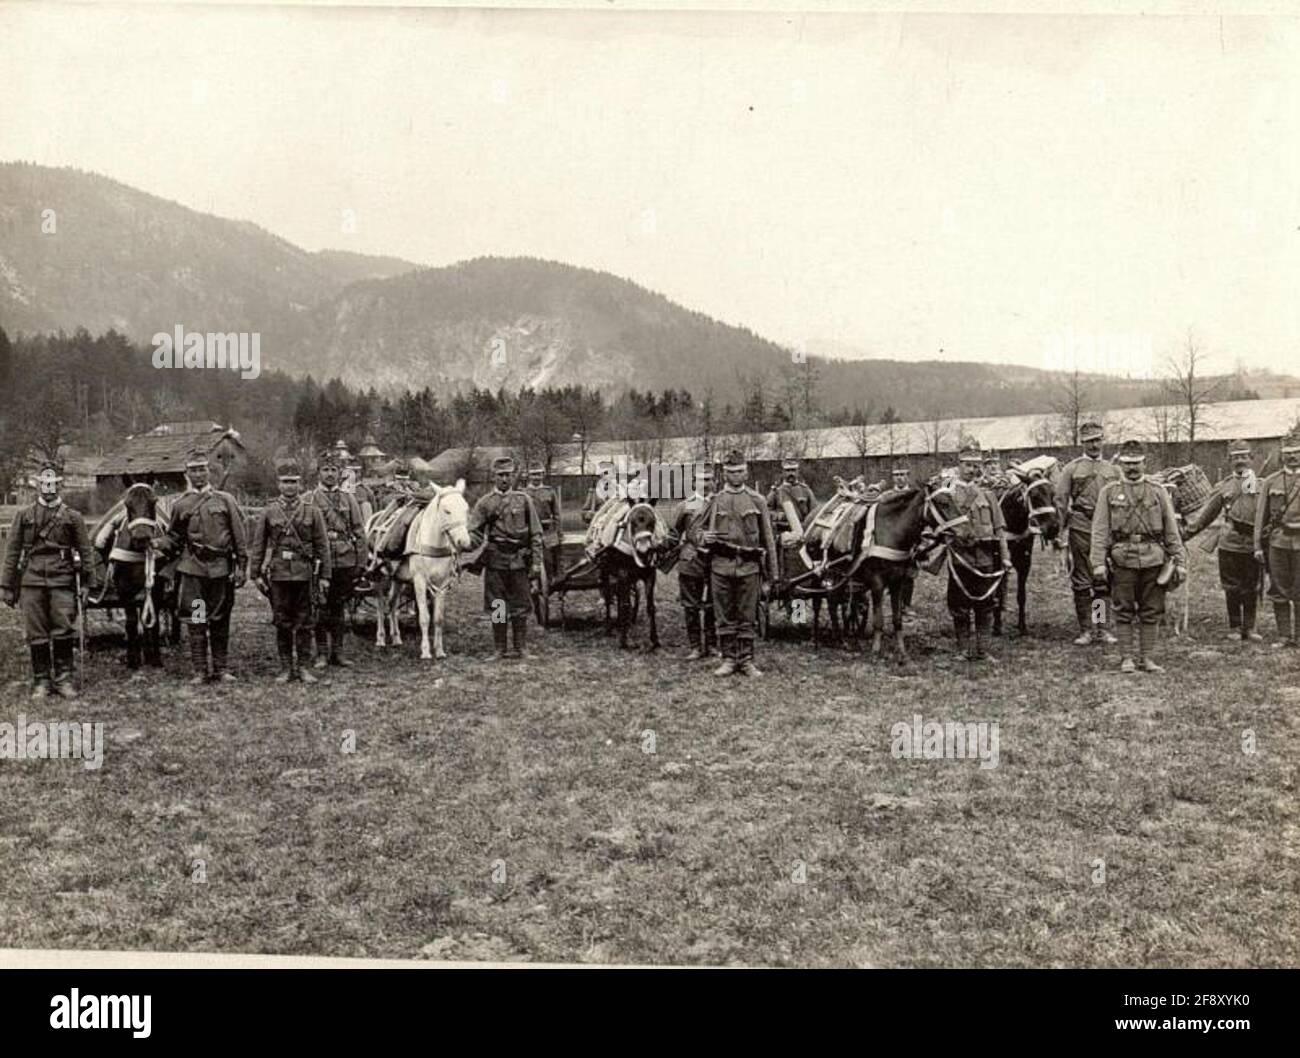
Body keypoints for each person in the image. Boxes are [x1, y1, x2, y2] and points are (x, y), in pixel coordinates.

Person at [1090, 439, 1185, 673]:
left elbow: (1171, 529)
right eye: (1127, 463)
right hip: (1122, 559)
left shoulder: (1158, 491)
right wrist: (1098, 563)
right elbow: (1100, 529)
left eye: (1137, 463)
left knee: (1152, 609)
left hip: (1154, 558)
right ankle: (1126, 658)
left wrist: (1180, 560)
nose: (1132, 468)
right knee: (1122, 609)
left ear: (1145, 463)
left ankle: (1148, 658)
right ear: (1120, 464)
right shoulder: (1109, 492)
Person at [153, 448, 248, 684]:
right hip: (193, 570)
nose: (199, 474)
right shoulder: (181, 505)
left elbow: (239, 536)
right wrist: (156, 543)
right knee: (197, 618)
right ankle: (199, 670)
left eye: (202, 469)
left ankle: (221, 668)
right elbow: (174, 537)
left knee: (220, 618)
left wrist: (241, 566)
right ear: (187, 473)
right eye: (194, 470)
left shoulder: (226, 501)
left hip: (220, 568)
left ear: (209, 471)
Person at [1, 460, 93, 698]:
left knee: (63, 628)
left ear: (60, 485)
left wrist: (87, 582)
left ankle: (64, 679)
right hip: (31, 581)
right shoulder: (24, 515)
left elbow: (85, 551)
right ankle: (41, 680)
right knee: (36, 630)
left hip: (62, 579)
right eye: (45, 483)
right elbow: (12, 551)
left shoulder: (73, 517)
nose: (49, 487)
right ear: (37, 485)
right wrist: (7, 585)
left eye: (53, 483)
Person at [249, 460, 331, 683]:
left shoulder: (312, 511)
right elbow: (259, 544)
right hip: (279, 575)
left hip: (305, 574)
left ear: (300, 484)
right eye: (285, 482)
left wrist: (325, 576)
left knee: (305, 621)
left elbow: (322, 545)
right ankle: (286, 667)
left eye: (294, 482)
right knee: (282, 621)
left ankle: (303, 667)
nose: (289, 487)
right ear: (278, 484)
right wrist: (255, 573)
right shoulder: (269, 511)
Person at [701, 450, 779, 677]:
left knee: (747, 615)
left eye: (740, 471)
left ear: (746, 472)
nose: (736, 476)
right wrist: (702, 536)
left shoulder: (757, 500)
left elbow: (768, 540)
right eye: (731, 472)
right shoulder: (715, 501)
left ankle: (746, 660)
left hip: (749, 567)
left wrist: (772, 575)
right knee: (723, 614)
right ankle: (728, 659)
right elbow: (696, 529)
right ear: (724, 474)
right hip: (720, 566)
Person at [1182, 439, 1262, 641]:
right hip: (1229, 543)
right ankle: (1235, 627)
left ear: (1251, 459)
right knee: (1232, 587)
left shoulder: (1263, 485)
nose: (1240, 461)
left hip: (1253, 544)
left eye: (1244, 456)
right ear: (1229, 460)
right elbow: (1206, 516)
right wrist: (1184, 535)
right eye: (1236, 457)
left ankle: (1250, 628)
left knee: (1251, 586)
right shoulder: (1223, 486)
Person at [468, 456, 544, 659]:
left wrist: (536, 562)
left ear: (513, 476)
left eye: (508, 475)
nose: (504, 479)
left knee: (520, 604)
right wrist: (466, 544)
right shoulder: (485, 503)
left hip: (519, 560)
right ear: (493, 477)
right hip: (496, 560)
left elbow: (536, 533)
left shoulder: (524, 499)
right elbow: (474, 532)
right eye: (500, 475)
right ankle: (500, 648)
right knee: (498, 604)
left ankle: (521, 648)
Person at [1055, 420, 1122, 645]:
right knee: (1082, 580)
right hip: (1081, 528)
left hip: (1106, 531)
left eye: (1098, 440)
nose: (1095, 445)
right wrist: (1060, 531)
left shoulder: (1114, 470)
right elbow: (1061, 501)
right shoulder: (1072, 469)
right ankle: (1085, 630)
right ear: (1082, 443)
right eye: (1090, 441)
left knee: (1102, 579)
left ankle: (1101, 628)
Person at [947, 442, 1012, 662]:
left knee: (985, 604)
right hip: (960, 557)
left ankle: (983, 650)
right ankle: (963, 649)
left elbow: (999, 529)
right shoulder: (949, 494)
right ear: (959, 466)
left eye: (976, 465)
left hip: (985, 557)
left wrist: (1005, 556)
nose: (972, 470)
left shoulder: (988, 495)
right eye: (967, 465)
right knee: (960, 604)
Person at [306, 449, 366, 668]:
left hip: (344, 560)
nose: (329, 474)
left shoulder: (349, 500)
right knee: (320, 607)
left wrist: (361, 563)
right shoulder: (309, 499)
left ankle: (338, 653)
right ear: (318, 474)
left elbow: (359, 532)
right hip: (319, 563)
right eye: (325, 470)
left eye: (333, 470)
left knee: (339, 607)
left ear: (339, 473)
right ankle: (321, 653)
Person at [1254, 430, 1300, 649]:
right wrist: (1257, 546)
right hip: (1278, 542)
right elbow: (1261, 516)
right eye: (1289, 453)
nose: (1293, 457)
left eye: (1297, 453)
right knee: (1279, 588)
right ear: (1282, 455)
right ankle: (1284, 635)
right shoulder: (1271, 481)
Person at [670, 465, 716, 660]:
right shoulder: (686, 505)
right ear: (694, 482)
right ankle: (695, 646)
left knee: (714, 604)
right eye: (701, 480)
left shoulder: (720, 503)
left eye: (709, 479)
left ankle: (712, 645)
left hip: (716, 559)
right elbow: (673, 533)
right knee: (691, 605)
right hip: (691, 559)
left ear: (715, 481)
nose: (705, 484)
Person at [523, 462, 563, 582]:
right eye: (534, 475)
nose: (536, 477)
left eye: (539, 474)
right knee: (526, 557)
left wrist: (558, 532)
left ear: (543, 475)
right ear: (529, 476)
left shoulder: (549, 492)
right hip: (528, 531)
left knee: (550, 558)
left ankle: (553, 579)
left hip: (547, 531)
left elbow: (557, 514)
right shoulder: (523, 493)